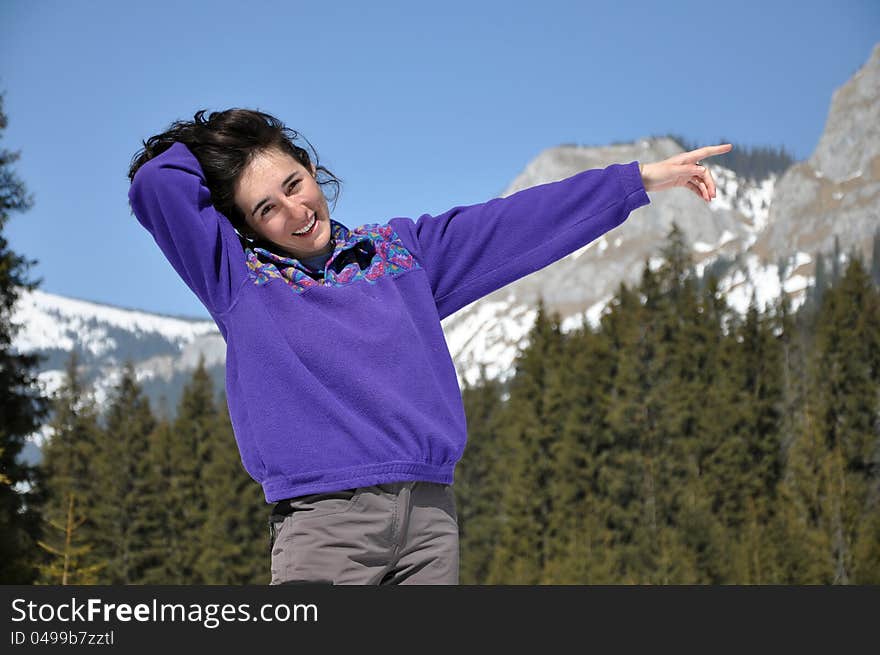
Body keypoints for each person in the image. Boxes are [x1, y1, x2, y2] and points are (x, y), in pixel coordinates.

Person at [127, 107, 730, 585]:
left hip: (430, 521)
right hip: (326, 527)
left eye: (294, 183)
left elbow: (515, 222)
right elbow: (156, 184)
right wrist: (214, 142)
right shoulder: (240, 280)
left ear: (311, 170)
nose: (295, 209)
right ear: (247, 227)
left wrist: (637, 180)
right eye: (267, 207)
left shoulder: (402, 257)